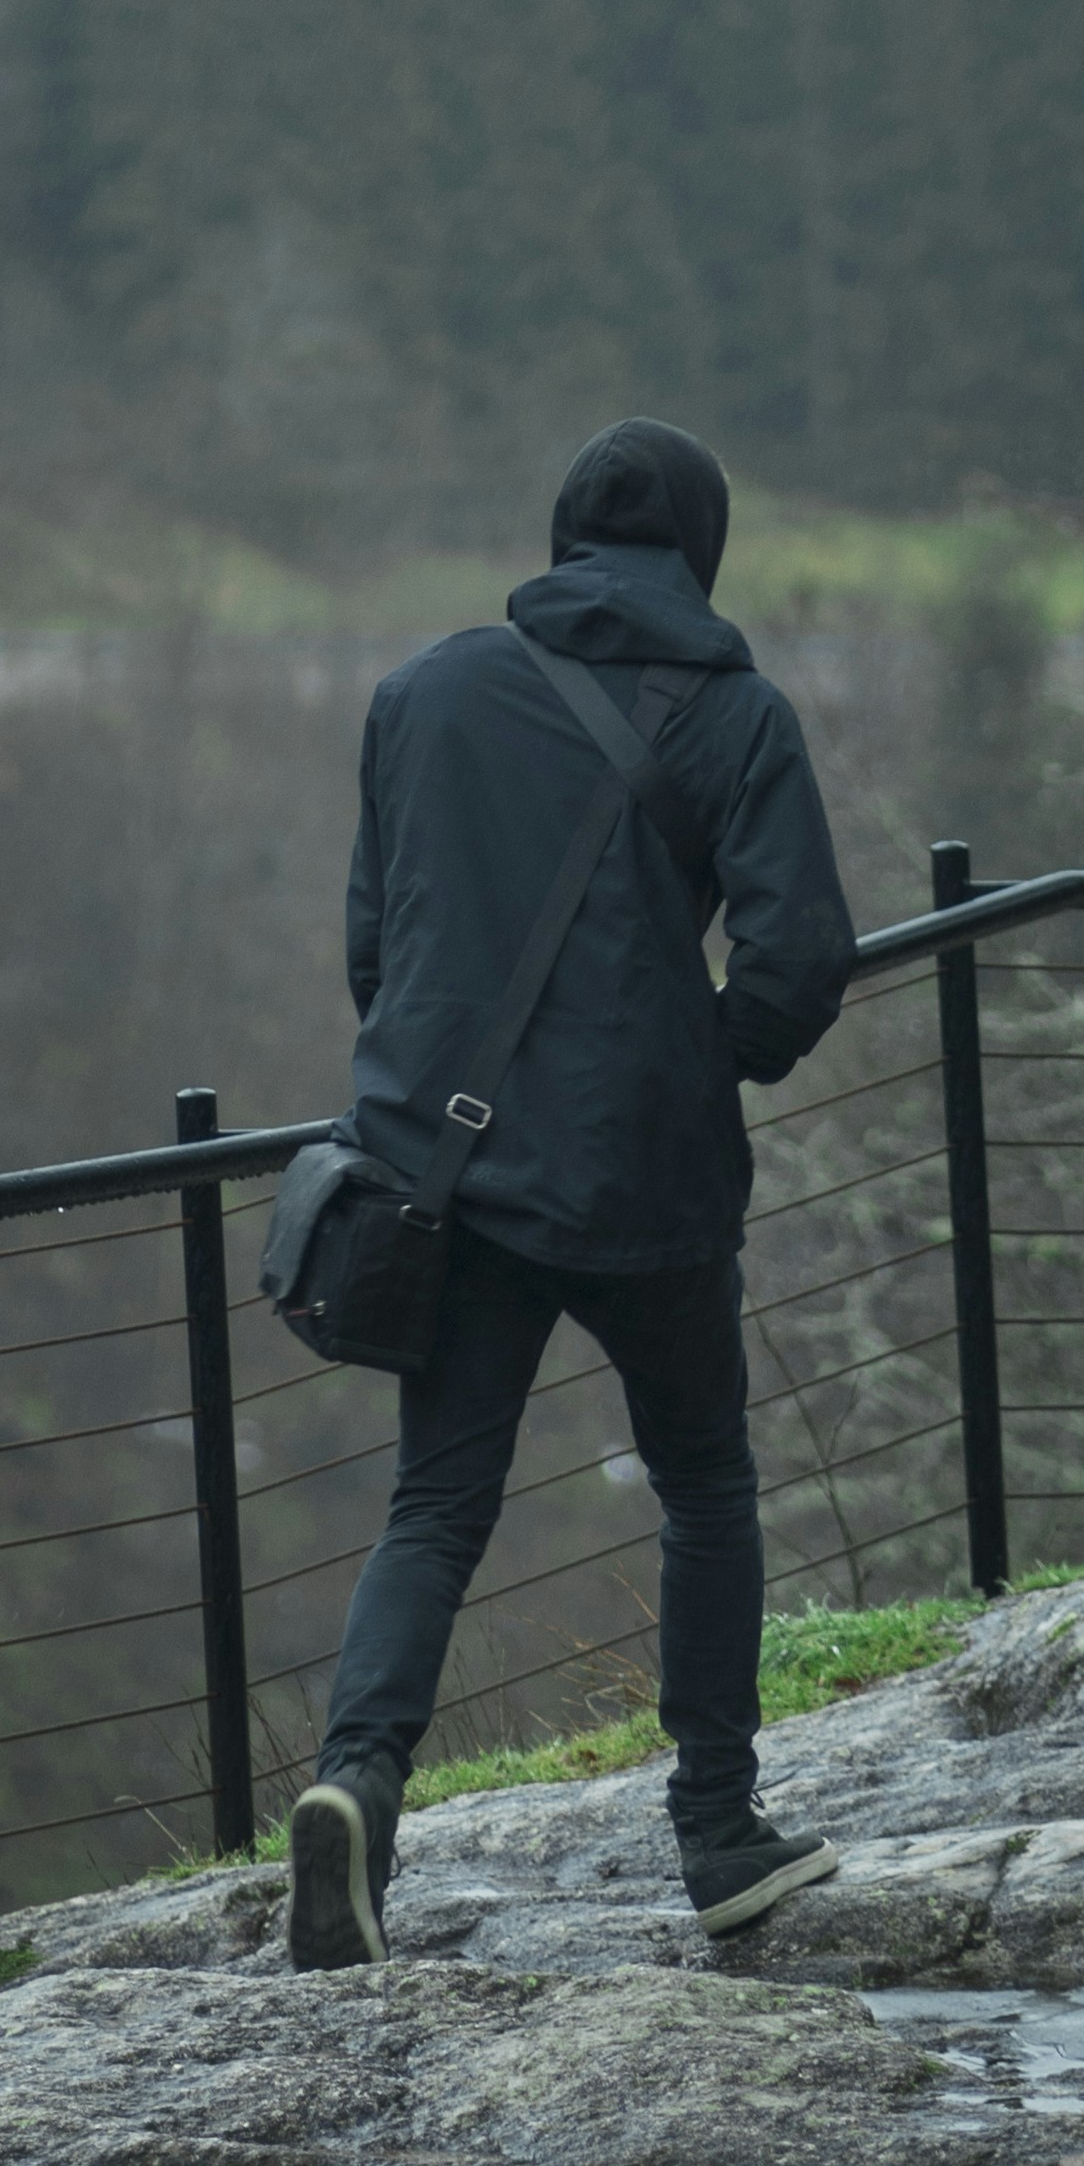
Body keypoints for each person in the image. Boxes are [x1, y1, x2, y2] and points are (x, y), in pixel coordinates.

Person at [287, 413, 858, 1971]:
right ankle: (723, 1831)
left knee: (437, 1502)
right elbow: (800, 956)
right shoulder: (740, 717)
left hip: (454, 1177)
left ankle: (358, 1789)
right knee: (705, 1488)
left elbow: (377, 959)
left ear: (561, 540)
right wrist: (700, 1049)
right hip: (647, 1182)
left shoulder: (426, 694)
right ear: (702, 549)